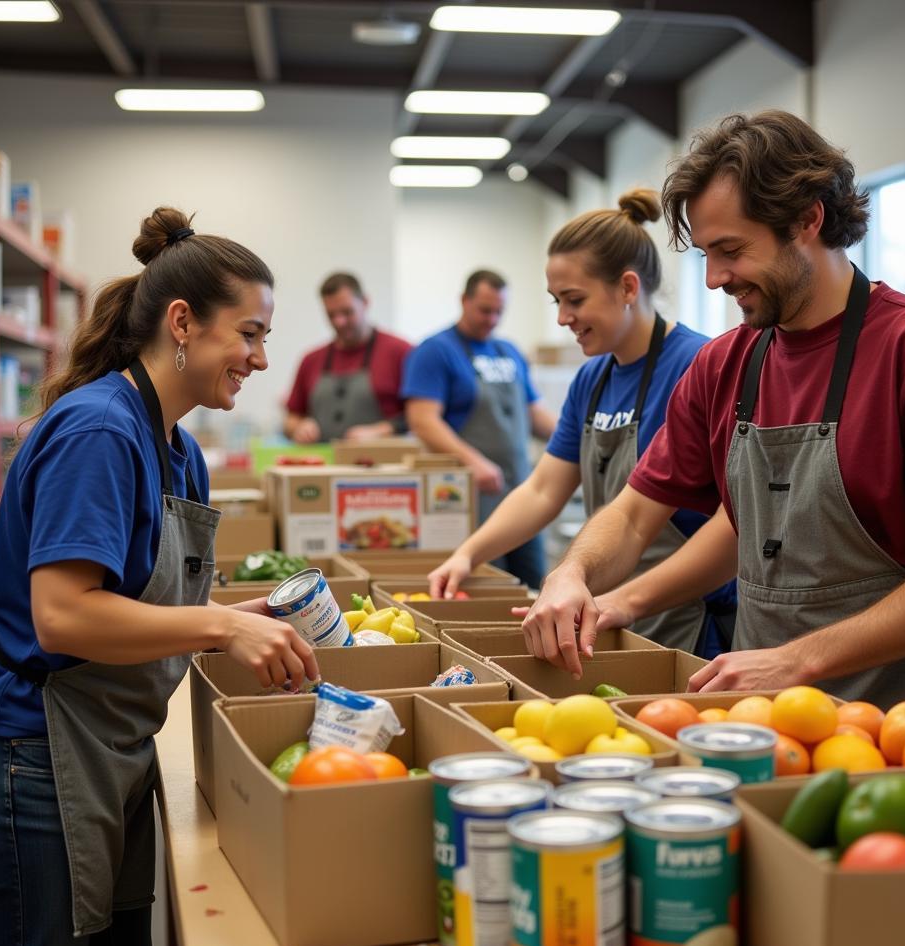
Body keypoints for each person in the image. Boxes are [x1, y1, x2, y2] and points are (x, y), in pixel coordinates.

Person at [0, 207, 320, 946]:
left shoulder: (176, 445)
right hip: (33, 747)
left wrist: (252, 609)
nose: (263, 360)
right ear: (183, 323)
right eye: (251, 334)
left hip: (109, 742)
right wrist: (224, 628)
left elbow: (152, 604)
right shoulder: (100, 431)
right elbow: (63, 617)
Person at [521, 110, 905, 725]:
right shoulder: (725, 366)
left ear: (807, 220)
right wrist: (577, 577)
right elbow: (637, 516)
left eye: (731, 251)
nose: (714, 279)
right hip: (768, 723)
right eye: (707, 255)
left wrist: (797, 661)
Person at [428, 190, 735, 657]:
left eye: (574, 299)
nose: (562, 317)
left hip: (692, 623)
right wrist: (469, 554)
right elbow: (543, 490)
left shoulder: (699, 366)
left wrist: (626, 598)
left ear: (628, 288)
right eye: (556, 300)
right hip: (610, 611)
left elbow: (733, 520)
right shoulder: (593, 378)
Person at [403, 269, 557, 588]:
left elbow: (532, 413)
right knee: (489, 583)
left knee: (531, 582)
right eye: (485, 310)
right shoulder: (436, 351)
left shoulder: (510, 352)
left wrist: (579, 438)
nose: (492, 319)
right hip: (473, 495)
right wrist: (474, 462)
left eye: (499, 311)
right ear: (464, 301)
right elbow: (423, 420)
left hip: (521, 489)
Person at [283, 272, 412, 443]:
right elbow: (290, 419)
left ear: (365, 302)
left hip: (383, 466)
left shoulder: (401, 352)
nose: (339, 322)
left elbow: (421, 416)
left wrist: (379, 432)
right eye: (331, 315)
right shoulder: (311, 360)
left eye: (347, 312)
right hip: (322, 465)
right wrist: (299, 427)